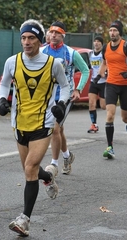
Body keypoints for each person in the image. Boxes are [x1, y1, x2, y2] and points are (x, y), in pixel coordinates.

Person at [0, 19, 70, 237]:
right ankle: (47, 177)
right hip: (19, 123)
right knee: (30, 169)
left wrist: (60, 104)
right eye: (23, 38)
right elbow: (4, 82)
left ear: (40, 40)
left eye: (31, 38)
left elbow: (65, 87)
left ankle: (25, 220)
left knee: (29, 168)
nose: (26, 42)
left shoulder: (53, 64)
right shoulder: (12, 62)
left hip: (43, 123)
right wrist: (3, 99)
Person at [40, 21, 90, 174]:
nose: (53, 35)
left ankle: (54, 164)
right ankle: (67, 156)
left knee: (54, 128)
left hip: (65, 95)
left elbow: (85, 70)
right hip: (47, 95)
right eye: (51, 32)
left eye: (57, 33)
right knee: (59, 129)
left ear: (63, 35)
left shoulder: (71, 53)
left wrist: (78, 90)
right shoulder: (42, 51)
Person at [94, 20, 127, 159]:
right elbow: (104, 63)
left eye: (115, 30)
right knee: (110, 114)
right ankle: (110, 147)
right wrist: (98, 76)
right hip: (111, 84)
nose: (112, 33)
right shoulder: (105, 47)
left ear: (120, 32)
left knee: (124, 118)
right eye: (110, 30)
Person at [88, 36, 106, 133]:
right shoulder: (90, 54)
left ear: (101, 44)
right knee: (91, 104)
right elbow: (90, 66)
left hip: (103, 82)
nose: (96, 43)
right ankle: (94, 125)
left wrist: (106, 73)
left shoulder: (104, 53)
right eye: (95, 41)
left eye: (98, 41)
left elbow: (108, 65)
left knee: (103, 106)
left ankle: (111, 107)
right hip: (94, 81)